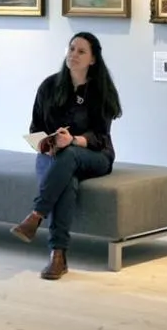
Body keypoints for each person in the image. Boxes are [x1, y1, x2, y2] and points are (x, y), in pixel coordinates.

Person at [10, 31, 122, 280]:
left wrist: (72, 141)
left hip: (94, 155)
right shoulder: (49, 86)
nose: (73, 55)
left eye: (81, 51)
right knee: (66, 181)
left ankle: (37, 215)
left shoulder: (100, 90)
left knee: (69, 155)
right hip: (52, 155)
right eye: (71, 49)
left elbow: (101, 137)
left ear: (93, 59)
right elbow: (35, 128)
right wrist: (47, 144)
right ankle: (57, 255)